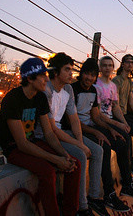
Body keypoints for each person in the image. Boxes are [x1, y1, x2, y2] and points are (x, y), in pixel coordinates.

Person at [0, 57, 81, 216]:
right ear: (29, 78)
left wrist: (64, 155)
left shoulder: (40, 97)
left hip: (33, 142)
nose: (46, 79)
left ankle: (71, 212)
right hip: (13, 148)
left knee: (74, 163)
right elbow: (21, 143)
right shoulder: (12, 99)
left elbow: (49, 133)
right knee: (47, 172)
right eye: (42, 76)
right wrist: (56, 160)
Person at [43, 53, 106, 216]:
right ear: (56, 72)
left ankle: (94, 197)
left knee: (98, 151)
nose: (71, 74)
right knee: (80, 156)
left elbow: (74, 119)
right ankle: (82, 207)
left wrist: (80, 141)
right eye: (67, 70)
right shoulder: (47, 91)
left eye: (71, 70)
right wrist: (80, 145)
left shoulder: (68, 89)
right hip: (48, 134)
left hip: (64, 131)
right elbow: (52, 129)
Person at [71, 58, 131, 212]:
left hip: (92, 126)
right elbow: (73, 120)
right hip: (79, 129)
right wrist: (96, 132)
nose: (89, 78)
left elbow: (96, 116)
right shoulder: (72, 90)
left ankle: (127, 183)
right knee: (102, 147)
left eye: (92, 75)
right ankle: (108, 193)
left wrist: (111, 130)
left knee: (121, 142)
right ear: (81, 74)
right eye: (87, 74)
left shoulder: (92, 90)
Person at [94, 55, 133, 182]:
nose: (107, 68)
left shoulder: (116, 84)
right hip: (107, 120)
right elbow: (99, 113)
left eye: (110, 65)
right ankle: (132, 170)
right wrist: (121, 123)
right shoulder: (109, 83)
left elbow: (120, 105)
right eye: (104, 65)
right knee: (128, 136)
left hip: (118, 116)